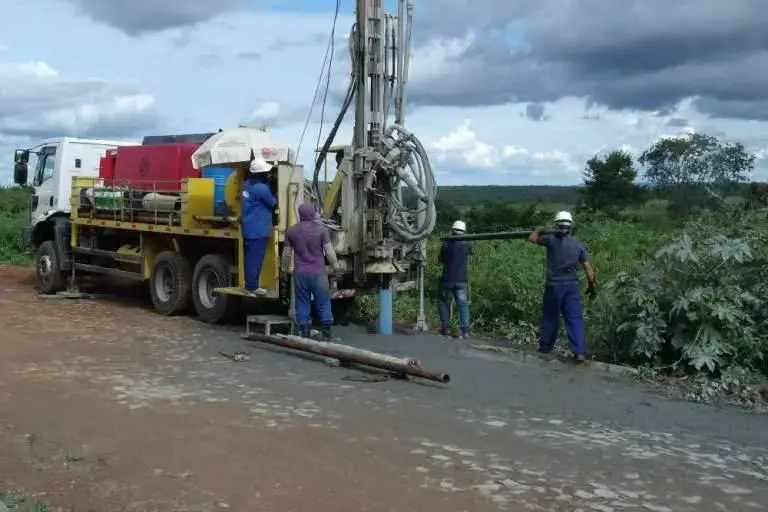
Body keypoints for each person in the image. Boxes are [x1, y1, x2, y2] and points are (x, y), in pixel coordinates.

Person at [528, 211, 596, 363]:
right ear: (570, 226)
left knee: (550, 317)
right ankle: (579, 352)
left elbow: (532, 238)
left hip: (554, 286)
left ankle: (545, 348)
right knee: (574, 319)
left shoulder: (550, 239)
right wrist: (592, 286)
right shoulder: (577, 244)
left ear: (556, 224)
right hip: (572, 286)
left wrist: (539, 230)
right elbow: (587, 267)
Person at [281, 203, 342, 340]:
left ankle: (305, 335)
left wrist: (284, 270)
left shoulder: (292, 231)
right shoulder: (321, 230)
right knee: (323, 302)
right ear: (312, 213)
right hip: (318, 273)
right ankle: (327, 336)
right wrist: (336, 267)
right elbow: (329, 251)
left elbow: (286, 254)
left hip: (300, 273)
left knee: (302, 301)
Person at [241, 157, 278, 296]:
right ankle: (252, 287)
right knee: (255, 259)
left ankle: (249, 284)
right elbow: (273, 203)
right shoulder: (262, 188)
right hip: (258, 229)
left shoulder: (246, 185)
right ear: (261, 173)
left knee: (249, 258)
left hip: (249, 228)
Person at [437, 220, 472, 338]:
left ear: (452, 230)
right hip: (462, 280)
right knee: (462, 305)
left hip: (447, 279)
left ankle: (446, 328)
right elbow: (470, 253)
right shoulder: (467, 244)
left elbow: (441, 259)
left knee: (443, 302)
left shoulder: (446, 243)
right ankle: (465, 331)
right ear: (464, 231)